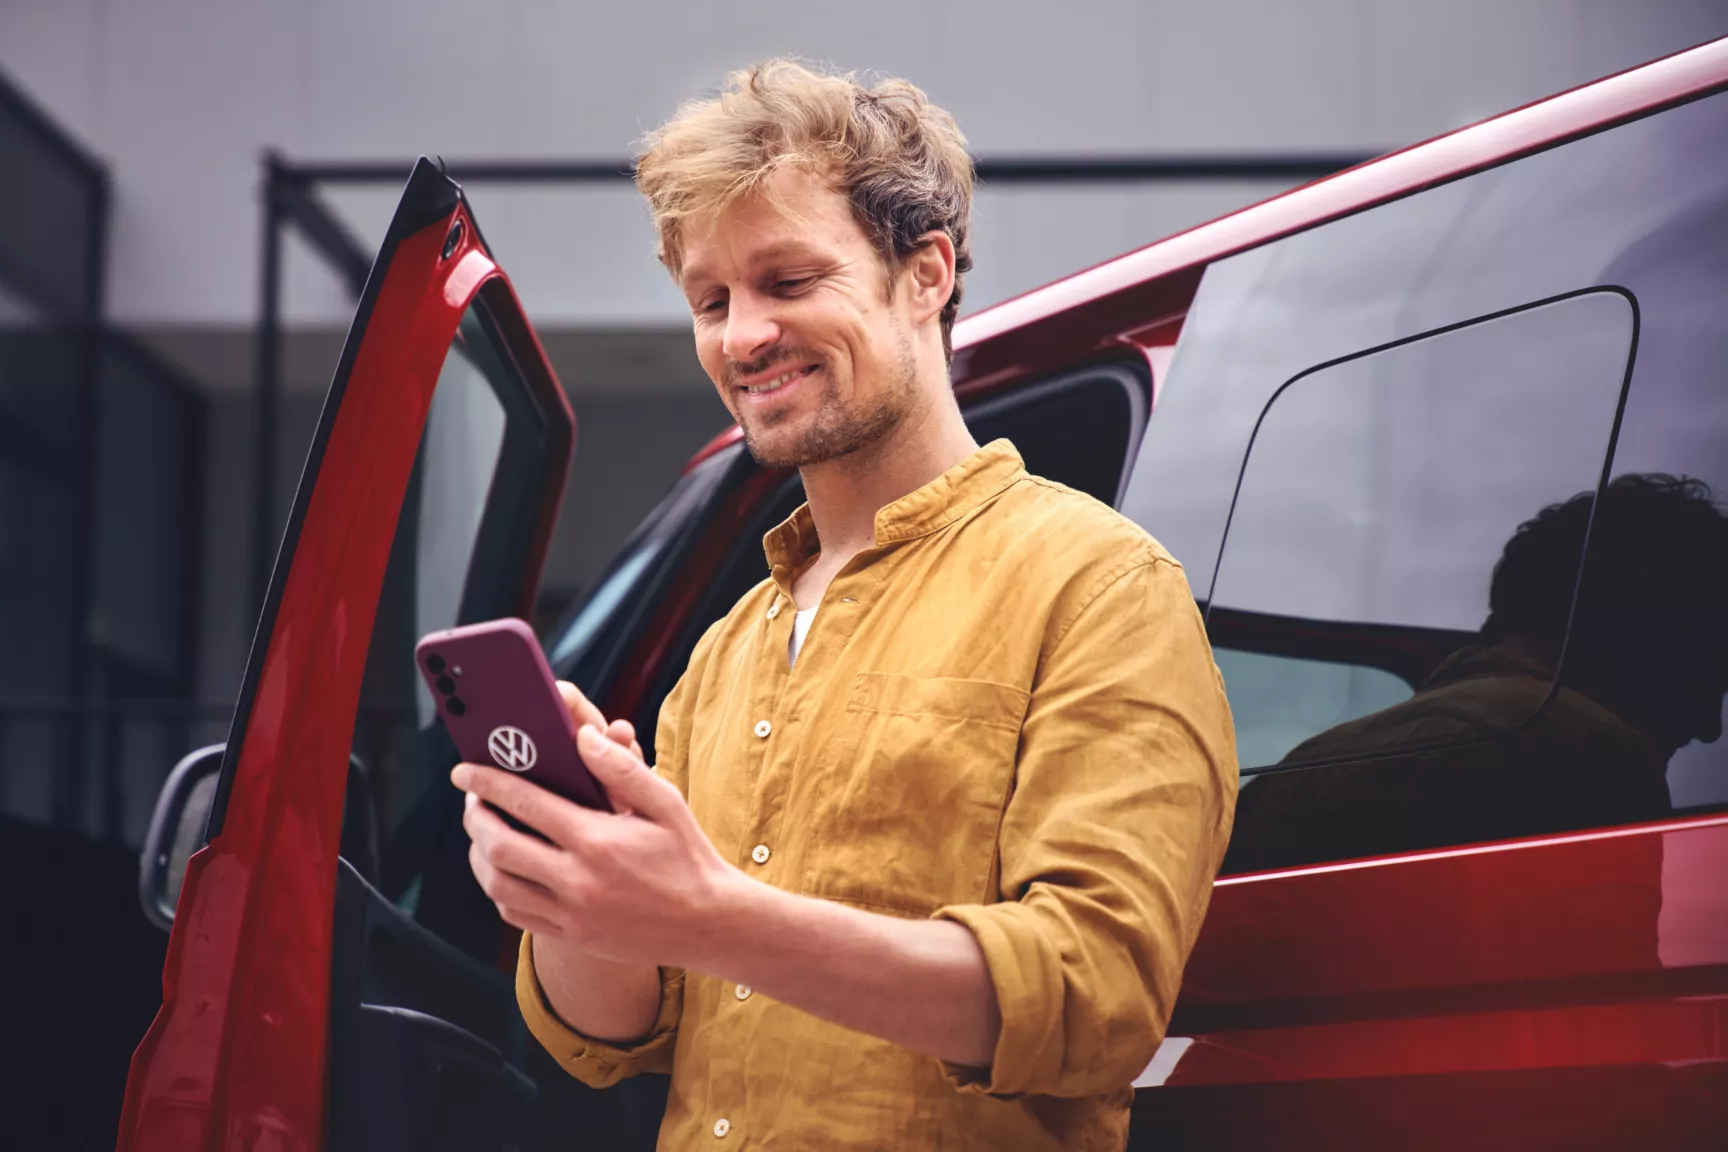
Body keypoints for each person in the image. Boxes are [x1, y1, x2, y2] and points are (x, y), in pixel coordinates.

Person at [450, 59, 1237, 1150]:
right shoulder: (724, 654)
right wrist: (579, 894)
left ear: (925, 274)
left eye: (788, 280)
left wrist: (709, 915)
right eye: (712, 300)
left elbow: (1093, 1001)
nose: (741, 337)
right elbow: (614, 1037)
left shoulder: (1097, 585)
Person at [1226, 472, 1728, 875]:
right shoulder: (1589, 752)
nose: (1710, 728)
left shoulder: (1304, 764)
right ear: (1646, 624)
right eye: (1706, 665)